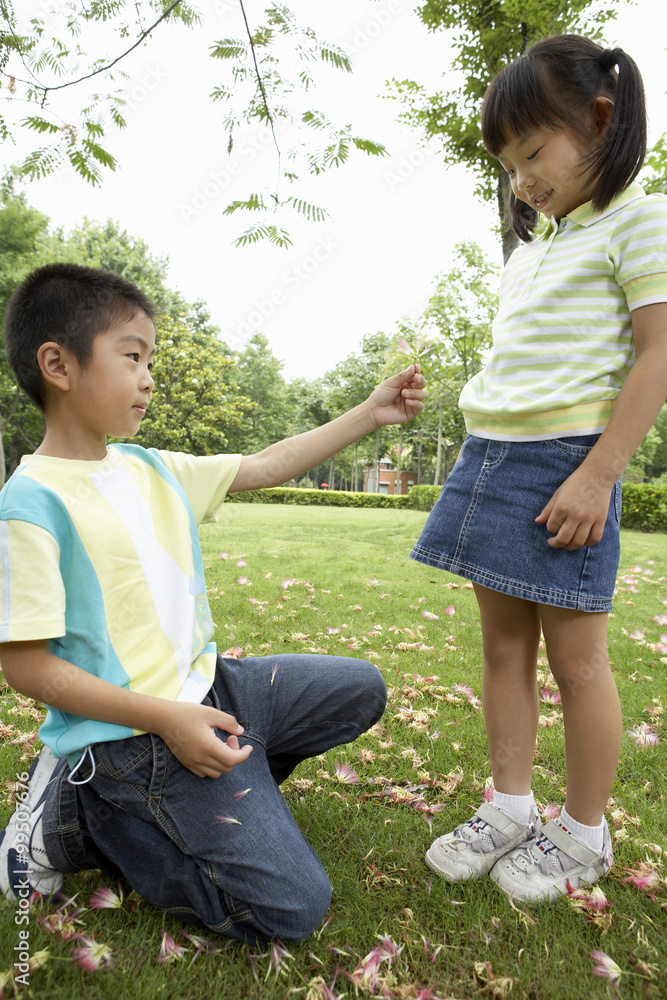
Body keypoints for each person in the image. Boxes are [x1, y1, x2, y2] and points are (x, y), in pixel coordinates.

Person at [0, 261, 426, 942]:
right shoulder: (32, 501)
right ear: (58, 364)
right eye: (132, 357)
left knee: (359, 689)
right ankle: (79, 823)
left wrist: (368, 414)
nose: (147, 377)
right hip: (136, 739)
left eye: (150, 360)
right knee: (292, 908)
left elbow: (264, 465)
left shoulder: (149, 467)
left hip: (217, 691)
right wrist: (167, 720)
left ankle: (227, 783)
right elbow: (25, 667)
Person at [411, 34, 667, 903]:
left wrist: (598, 474)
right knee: (501, 648)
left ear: (599, 121)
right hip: (493, 457)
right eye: (509, 164)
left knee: (578, 661)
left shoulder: (642, 217)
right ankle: (511, 807)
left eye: (533, 153)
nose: (522, 178)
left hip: (568, 465)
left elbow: (657, 353)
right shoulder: (532, 246)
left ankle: (584, 834)